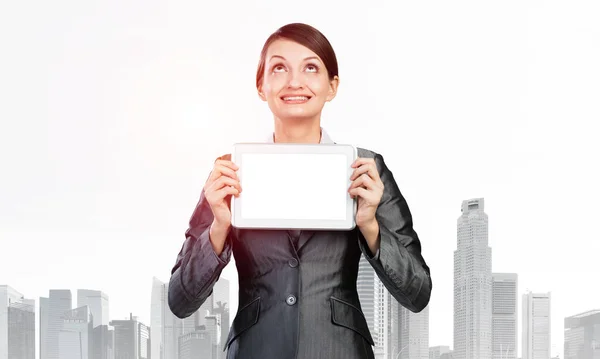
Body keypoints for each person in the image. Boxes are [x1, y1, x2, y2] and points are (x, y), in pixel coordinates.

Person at [168, 23, 432, 359]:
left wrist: (370, 226)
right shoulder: (230, 171)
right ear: (261, 86)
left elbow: (418, 293)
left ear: (332, 85)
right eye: (279, 68)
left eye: (311, 67)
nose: (295, 81)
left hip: (340, 351)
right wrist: (219, 228)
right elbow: (179, 300)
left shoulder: (365, 169)